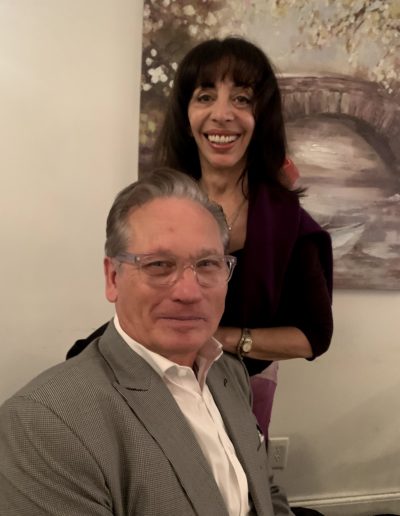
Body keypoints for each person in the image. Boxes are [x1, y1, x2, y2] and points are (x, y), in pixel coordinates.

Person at [67, 37, 333, 438]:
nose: (222, 114)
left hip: (241, 388)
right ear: (186, 116)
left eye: (242, 99)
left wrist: (217, 338)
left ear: (261, 117)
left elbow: (313, 336)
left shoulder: (291, 225)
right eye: (205, 96)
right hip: (151, 382)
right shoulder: (154, 206)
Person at [0, 169, 294, 516]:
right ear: (113, 278)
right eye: (159, 265)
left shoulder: (230, 373)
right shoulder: (42, 424)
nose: (189, 292)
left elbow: (264, 492)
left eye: (207, 264)